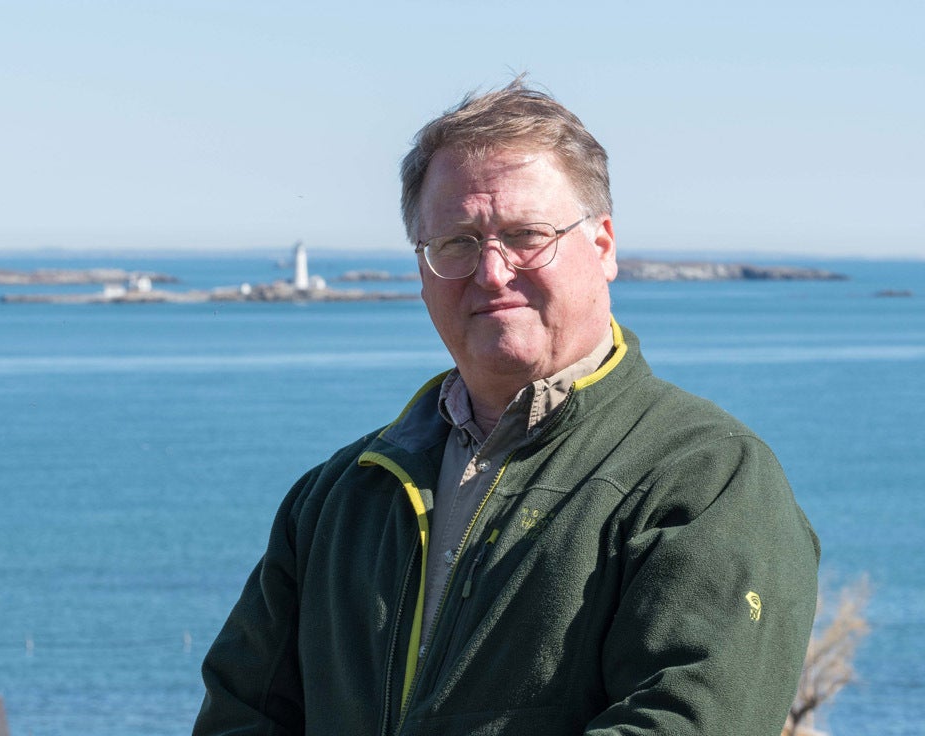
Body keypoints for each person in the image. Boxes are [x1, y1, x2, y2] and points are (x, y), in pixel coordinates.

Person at [193, 78, 820, 736]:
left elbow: (684, 723)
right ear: (423, 267)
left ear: (603, 246)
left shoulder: (706, 477)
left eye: (526, 235)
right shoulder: (338, 498)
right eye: (457, 243)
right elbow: (240, 715)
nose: (492, 271)